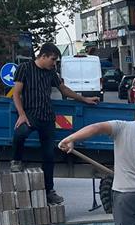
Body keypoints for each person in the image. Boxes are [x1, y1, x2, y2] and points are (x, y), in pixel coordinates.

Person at [10, 42, 99, 204]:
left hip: (47, 117)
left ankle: (49, 191)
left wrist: (84, 99)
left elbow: (63, 89)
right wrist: (21, 114)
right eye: (53, 59)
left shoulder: (51, 72)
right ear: (43, 56)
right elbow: (16, 93)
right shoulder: (24, 68)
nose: (54, 63)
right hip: (30, 115)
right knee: (20, 133)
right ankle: (16, 161)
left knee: (49, 156)